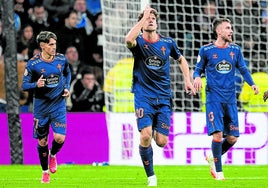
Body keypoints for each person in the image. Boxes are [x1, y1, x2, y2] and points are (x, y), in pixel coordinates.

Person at [125, 5, 195, 186]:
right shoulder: (139, 42)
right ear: (142, 22)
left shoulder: (167, 43)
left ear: (157, 22)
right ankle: (151, 177)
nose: (151, 20)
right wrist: (143, 18)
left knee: (162, 142)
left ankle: (153, 127)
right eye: (148, 18)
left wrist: (187, 79)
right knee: (146, 135)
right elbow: (128, 40)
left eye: (153, 18)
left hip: (163, 97)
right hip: (143, 96)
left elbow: (181, 59)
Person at [193, 18, 259, 180]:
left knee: (232, 138)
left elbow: (243, 69)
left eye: (231, 28)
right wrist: (197, 78)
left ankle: (212, 158)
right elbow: (197, 70)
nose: (231, 31)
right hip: (214, 98)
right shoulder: (206, 50)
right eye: (227, 28)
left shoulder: (235, 50)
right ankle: (219, 172)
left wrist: (252, 84)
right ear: (219, 31)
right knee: (217, 135)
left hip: (230, 99)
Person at [22, 31, 71, 183]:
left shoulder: (62, 59)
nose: (54, 47)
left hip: (58, 105)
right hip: (41, 108)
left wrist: (67, 87)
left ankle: (53, 155)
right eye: (51, 44)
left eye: (55, 44)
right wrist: (36, 84)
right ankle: (45, 172)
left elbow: (67, 73)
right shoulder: (33, 64)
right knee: (42, 142)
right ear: (42, 46)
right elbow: (24, 85)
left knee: (59, 138)